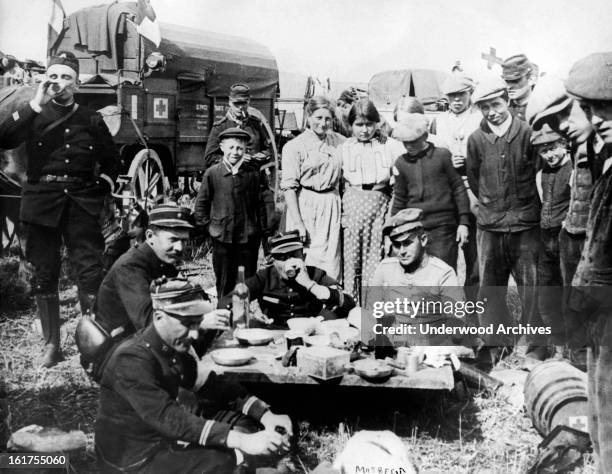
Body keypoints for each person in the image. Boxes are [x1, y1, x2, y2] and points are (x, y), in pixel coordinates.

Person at [95, 280, 293, 473]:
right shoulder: (131, 359)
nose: (195, 334)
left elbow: (211, 385)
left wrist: (265, 415)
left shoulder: (174, 344)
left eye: (198, 324)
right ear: (158, 317)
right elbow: (170, 417)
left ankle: (245, 464)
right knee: (221, 460)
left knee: (247, 427)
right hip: (133, 460)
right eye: (188, 324)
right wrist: (241, 441)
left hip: (163, 441)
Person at [0, 52, 119, 367]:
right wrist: (36, 101)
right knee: (44, 274)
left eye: (66, 77)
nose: (59, 82)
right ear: (45, 79)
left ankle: (90, 346)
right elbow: (3, 138)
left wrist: (100, 187)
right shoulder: (33, 113)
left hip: (81, 202)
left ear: (77, 84)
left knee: (90, 273)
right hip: (42, 202)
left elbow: (112, 161)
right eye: (53, 75)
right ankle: (52, 345)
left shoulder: (91, 118)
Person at [466, 77, 542, 361]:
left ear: (507, 102)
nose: (492, 112)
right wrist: (490, 205)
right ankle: (495, 345)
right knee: (490, 289)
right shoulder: (476, 140)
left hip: (525, 225)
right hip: (490, 226)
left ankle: (534, 348)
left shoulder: (528, 133)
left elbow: (538, 174)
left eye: (496, 104)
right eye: (485, 107)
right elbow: (474, 179)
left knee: (531, 288)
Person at [526, 76, 604, 350]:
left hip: (586, 245)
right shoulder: (547, 172)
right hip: (563, 239)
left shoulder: (584, 156)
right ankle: (566, 353)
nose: (564, 126)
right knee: (559, 301)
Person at [564, 52, 612, 474]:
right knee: (599, 388)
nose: (598, 118)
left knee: (609, 392)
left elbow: (601, 242)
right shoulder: (603, 154)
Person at [363, 208, 465, 348]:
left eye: (407, 243)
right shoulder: (385, 268)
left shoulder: (443, 274)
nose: (402, 251)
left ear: (423, 240)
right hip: (391, 344)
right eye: (397, 245)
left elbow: (457, 326)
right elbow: (370, 312)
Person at [218, 231, 355, 329]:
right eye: (282, 258)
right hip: (273, 334)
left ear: (303, 256)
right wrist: (250, 316)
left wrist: (310, 285)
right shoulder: (264, 277)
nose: (290, 262)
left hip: (310, 335)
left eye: (294, 255)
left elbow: (348, 303)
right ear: (273, 261)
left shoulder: (315, 274)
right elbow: (225, 302)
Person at [340, 98, 405, 303]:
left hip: (379, 206)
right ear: (350, 125)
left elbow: (398, 185)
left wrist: (390, 216)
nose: (365, 130)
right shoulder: (345, 147)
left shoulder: (390, 146)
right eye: (359, 125)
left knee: (376, 258)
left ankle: (374, 308)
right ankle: (352, 305)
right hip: (353, 206)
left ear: (377, 123)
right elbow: (339, 183)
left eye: (369, 124)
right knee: (351, 259)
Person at [195, 127, 271, 298]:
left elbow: (263, 204)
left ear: (245, 150)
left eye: (240, 148)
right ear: (222, 147)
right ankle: (224, 313)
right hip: (222, 238)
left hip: (248, 238)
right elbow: (201, 204)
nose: (235, 152)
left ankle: (245, 314)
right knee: (224, 279)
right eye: (231, 148)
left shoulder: (253, 174)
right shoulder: (213, 173)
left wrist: (263, 229)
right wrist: (209, 227)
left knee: (247, 280)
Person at [390, 113, 470, 270]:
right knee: (417, 274)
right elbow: (399, 198)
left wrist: (463, 223)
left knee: (443, 270)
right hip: (414, 228)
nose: (409, 146)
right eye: (405, 142)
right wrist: (393, 228)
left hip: (443, 228)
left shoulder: (443, 156)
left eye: (413, 141)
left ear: (425, 136)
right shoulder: (401, 163)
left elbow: (459, 189)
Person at [281, 96, 345, 280]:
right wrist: (298, 223)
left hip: (331, 203)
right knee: (304, 258)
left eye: (327, 118)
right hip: (305, 204)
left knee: (330, 260)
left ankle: (327, 302)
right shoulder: (294, 146)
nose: (323, 123)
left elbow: (362, 141)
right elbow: (289, 188)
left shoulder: (340, 142)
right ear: (308, 117)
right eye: (318, 118)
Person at [430, 74, 482, 298]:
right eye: (452, 96)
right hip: (446, 193)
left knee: (475, 255)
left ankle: (473, 309)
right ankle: (443, 309)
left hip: (473, 191)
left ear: (470, 93)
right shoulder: (438, 121)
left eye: (461, 95)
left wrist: (469, 162)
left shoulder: (480, 118)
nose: (457, 100)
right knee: (443, 254)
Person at [532, 125, 571, 357]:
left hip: (566, 240)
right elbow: (543, 203)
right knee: (547, 296)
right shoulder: (541, 175)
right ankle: (558, 349)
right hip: (546, 241)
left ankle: (574, 352)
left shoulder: (575, 170)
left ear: (564, 145)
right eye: (544, 151)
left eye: (554, 148)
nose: (550, 155)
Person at [203, 83, 272, 171]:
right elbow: (210, 157)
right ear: (230, 102)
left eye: (244, 103)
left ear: (249, 102)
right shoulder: (220, 127)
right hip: (230, 178)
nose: (240, 107)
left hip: (254, 176)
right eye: (237, 103)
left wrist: (262, 155)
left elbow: (268, 149)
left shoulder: (256, 124)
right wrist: (235, 159)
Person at [501, 54, 536, 121]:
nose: (508, 87)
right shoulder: (503, 112)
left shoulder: (542, 106)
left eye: (514, 81)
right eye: (507, 81)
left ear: (531, 80)